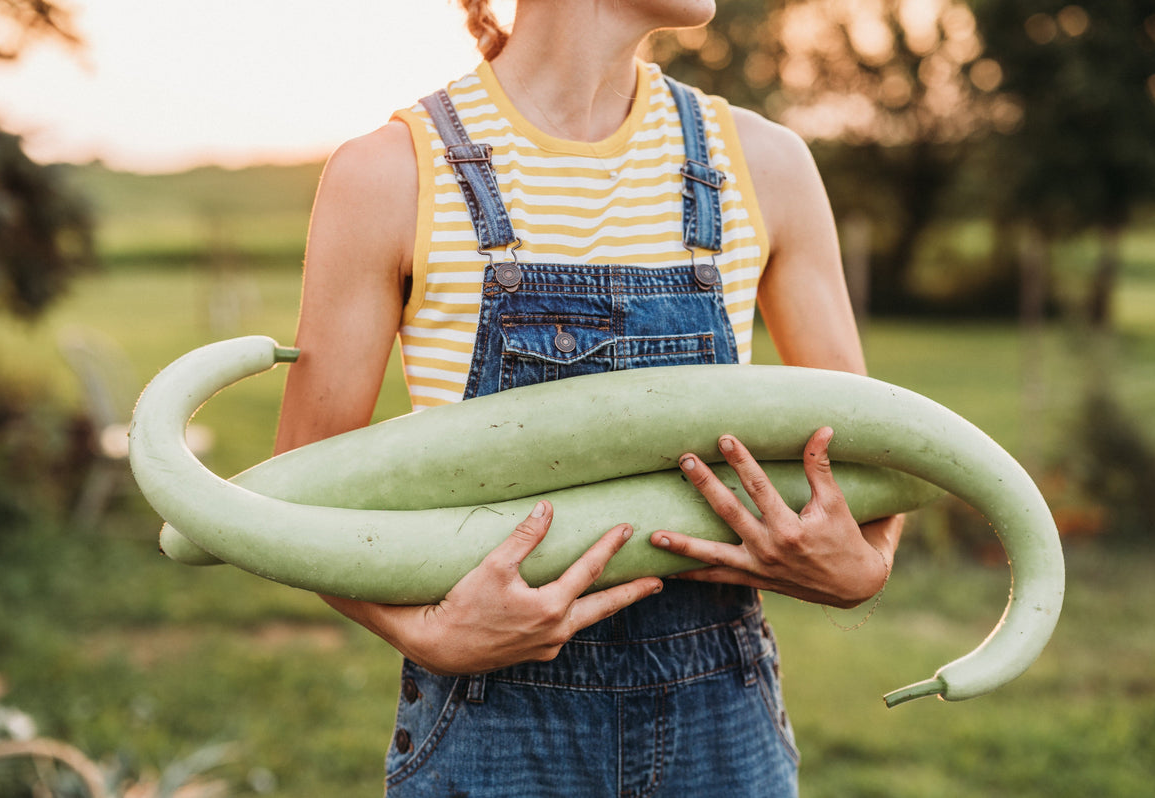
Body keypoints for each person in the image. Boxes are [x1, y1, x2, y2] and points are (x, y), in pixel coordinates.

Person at [275, 1, 903, 794]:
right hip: (494, 726)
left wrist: (868, 564)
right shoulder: (391, 173)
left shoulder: (763, 163)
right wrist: (427, 635)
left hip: (725, 727)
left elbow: (877, 445)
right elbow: (295, 496)